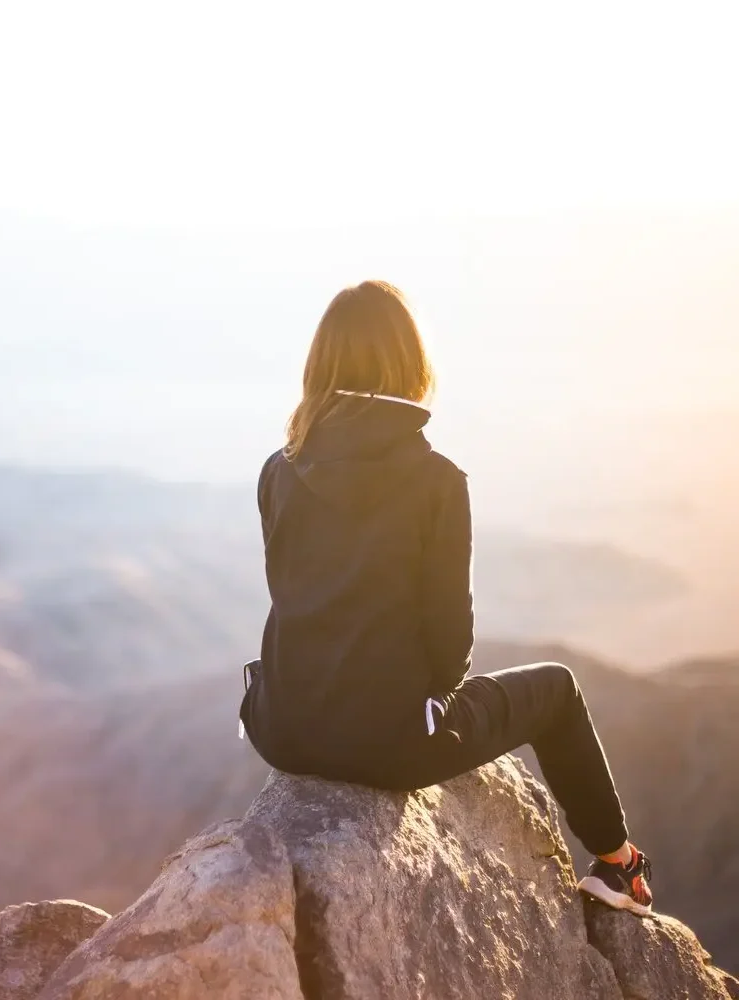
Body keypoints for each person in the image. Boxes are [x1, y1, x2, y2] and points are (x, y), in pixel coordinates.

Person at [239, 279, 653, 916]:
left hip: (281, 727)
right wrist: (428, 705)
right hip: (390, 744)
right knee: (559, 689)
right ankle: (618, 864)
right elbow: (451, 646)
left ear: (320, 364)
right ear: (410, 364)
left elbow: (292, 593)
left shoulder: (278, 467)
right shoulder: (436, 481)